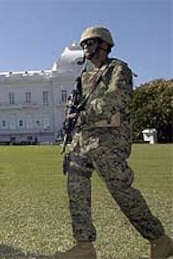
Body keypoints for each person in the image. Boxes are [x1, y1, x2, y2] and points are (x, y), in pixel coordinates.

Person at [56, 26, 173, 258]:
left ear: (105, 45)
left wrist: (83, 114)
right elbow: (76, 106)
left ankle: (160, 240)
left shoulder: (118, 69)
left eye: (90, 43)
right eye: (84, 45)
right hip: (83, 141)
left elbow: (115, 99)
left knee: (121, 190)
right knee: (76, 189)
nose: (86, 49)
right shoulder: (84, 77)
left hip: (109, 141)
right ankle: (84, 246)